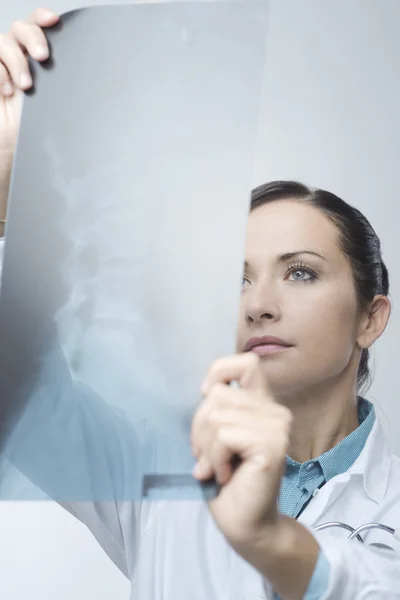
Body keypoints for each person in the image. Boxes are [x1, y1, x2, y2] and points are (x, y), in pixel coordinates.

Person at [0, 8, 400, 600]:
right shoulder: (155, 466)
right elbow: (19, 386)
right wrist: (15, 177)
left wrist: (269, 536)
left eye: (299, 272)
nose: (258, 305)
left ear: (372, 317)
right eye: (235, 279)